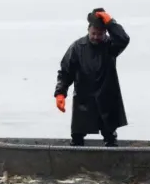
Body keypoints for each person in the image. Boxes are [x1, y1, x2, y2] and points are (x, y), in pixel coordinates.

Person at [54, 8, 130, 147]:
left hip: (106, 96)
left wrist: (111, 23)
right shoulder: (77, 47)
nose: (96, 37)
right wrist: (60, 93)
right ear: (88, 30)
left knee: (110, 136)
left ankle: (112, 160)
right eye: (93, 33)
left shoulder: (110, 46)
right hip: (84, 97)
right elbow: (66, 71)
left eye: (100, 34)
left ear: (105, 33)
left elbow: (124, 39)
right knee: (77, 136)